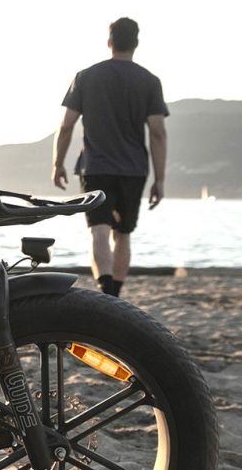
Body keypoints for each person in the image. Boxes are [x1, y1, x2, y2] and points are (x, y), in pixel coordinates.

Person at [51, 17, 168, 297]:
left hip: (96, 166)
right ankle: (114, 292)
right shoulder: (149, 81)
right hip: (134, 169)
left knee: (99, 230)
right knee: (123, 233)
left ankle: (104, 288)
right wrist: (160, 179)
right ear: (136, 43)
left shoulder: (86, 77)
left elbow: (66, 125)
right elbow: (158, 133)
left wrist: (57, 163)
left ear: (109, 42)